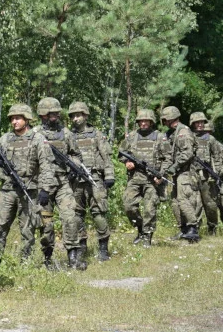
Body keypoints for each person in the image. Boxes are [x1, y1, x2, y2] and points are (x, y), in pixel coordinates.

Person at [0, 104, 53, 261]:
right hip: (7, 190)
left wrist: (45, 189)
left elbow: (46, 165)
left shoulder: (38, 139)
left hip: (29, 190)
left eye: (18, 118)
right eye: (12, 118)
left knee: (28, 229)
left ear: (27, 119)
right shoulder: (5, 139)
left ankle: (26, 261)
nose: (14, 121)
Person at [32, 97, 85, 270]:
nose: (54, 116)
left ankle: (73, 257)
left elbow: (77, 155)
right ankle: (47, 259)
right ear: (42, 114)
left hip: (63, 182)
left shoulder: (66, 133)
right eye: (50, 113)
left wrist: (73, 166)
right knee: (46, 224)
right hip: (43, 185)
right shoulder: (35, 134)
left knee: (70, 217)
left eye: (56, 113)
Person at [68, 102, 115, 261]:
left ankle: (103, 248)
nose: (76, 118)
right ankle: (81, 246)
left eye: (79, 115)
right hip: (75, 181)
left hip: (95, 178)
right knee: (76, 215)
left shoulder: (96, 134)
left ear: (86, 116)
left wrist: (109, 176)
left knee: (98, 213)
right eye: (73, 116)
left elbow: (106, 156)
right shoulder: (69, 135)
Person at [119, 109, 165, 247]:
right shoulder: (131, 137)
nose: (143, 123)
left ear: (151, 122)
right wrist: (127, 162)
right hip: (134, 178)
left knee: (150, 209)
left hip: (152, 180)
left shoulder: (159, 137)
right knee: (128, 205)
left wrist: (161, 175)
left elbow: (167, 158)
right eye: (141, 121)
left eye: (146, 121)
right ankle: (140, 229)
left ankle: (147, 237)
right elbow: (121, 153)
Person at [160, 106, 201, 243]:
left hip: (186, 171)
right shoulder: (172, 133)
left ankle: (193, 229)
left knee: (183, 200)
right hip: (178, 172)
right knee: (175, 202)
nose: (164, 122)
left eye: (165, 119)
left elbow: (187, 153)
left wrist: (175, 166)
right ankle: (183, 230)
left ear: (171, 118)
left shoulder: (183, 132)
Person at [189, 112, 223, 235]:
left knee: (210, 204)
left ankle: (212, 228)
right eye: (197, 122)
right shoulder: (187, 136)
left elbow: (220, 156)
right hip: (191, 175)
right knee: (194, 204)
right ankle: (194, 229)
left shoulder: (210, 139)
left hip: (207, 176)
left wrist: (218, 172)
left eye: (202, 122)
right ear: (192, 123)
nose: (200, 125)